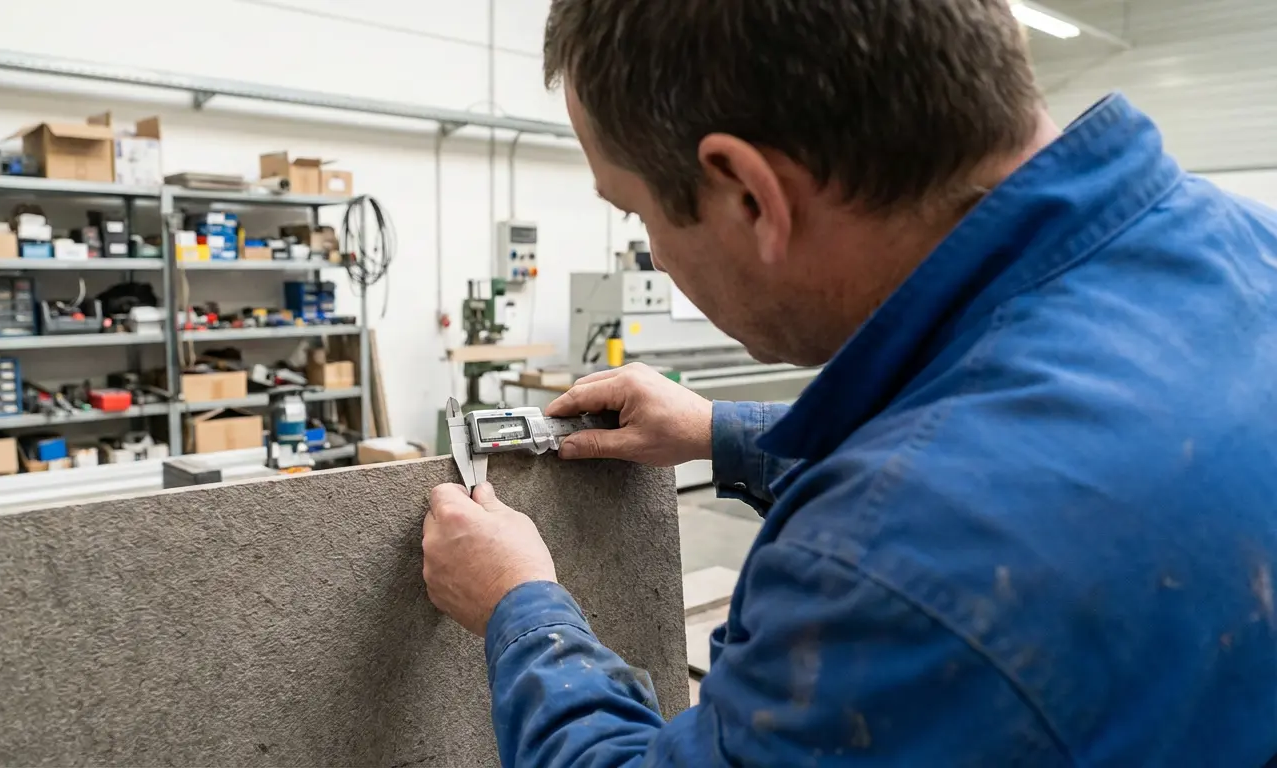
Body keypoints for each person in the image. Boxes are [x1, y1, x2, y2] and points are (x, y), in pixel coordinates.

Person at [422, 0, 1277, 764]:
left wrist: (521, 608)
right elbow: (1041, 448)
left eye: (636, 213)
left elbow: (950, 515)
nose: (649, 243)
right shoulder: (1247, 247)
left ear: (750, 196)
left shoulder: (885, 569)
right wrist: (726, 434)